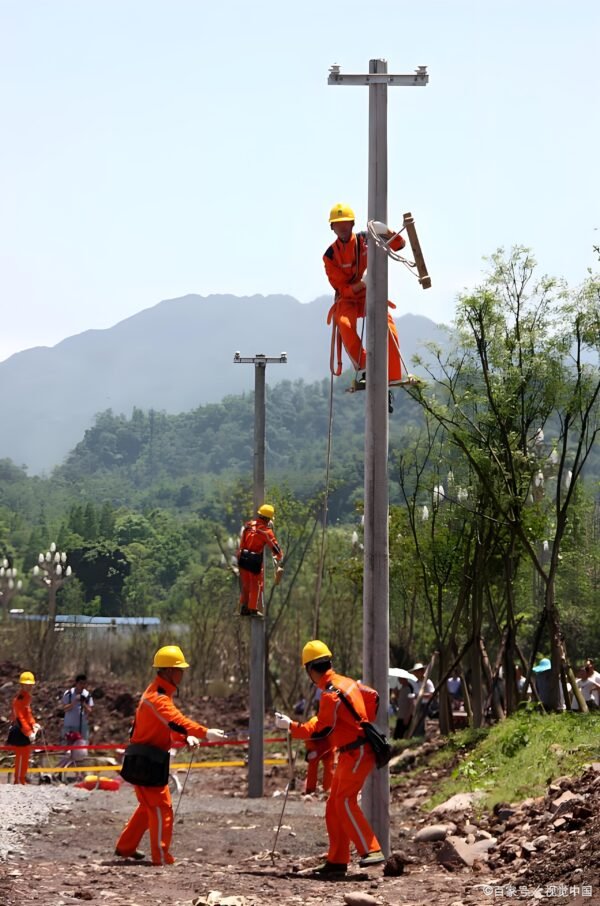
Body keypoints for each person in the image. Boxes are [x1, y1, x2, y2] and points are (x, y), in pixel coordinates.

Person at [274, 639, 385, 876]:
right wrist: (363, 721)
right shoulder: (347, 683)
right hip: (351, 751)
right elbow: (373, 696)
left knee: (344, 802)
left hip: (356, 752)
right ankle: (337, 861)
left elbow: (321, 730)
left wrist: (291, 726)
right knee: (334, 805)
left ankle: (371, 850)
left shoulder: (329, 694)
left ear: (310, 670)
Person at [115, 645, 226, 866]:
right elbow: (176, 720)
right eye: (179, 669)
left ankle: (126, 847)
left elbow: (167, 726)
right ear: (167, 671)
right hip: (145, 761)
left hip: (150, 760)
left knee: (149, 807)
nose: (182, 674)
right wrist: (204, 732)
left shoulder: (161, 693)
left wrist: (186, 738)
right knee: (161, 807)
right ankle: (161, 856)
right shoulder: (156, 698)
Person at [324, 203, 409, 405]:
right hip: (349, 298)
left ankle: (393, 373)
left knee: (387, 324)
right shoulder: (330, 256)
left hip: (369, 294)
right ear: (332, 228)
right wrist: (361, 284)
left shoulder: (365, 239)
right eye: (338, 225)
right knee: (343, 323)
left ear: (352, 224)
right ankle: (364, 367)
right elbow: (340, 287)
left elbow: (399, 244)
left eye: (345, 224)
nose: (342, 228)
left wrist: (385, 231)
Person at [236, 503, 283, 616]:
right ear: (267, 519)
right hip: (254, 560)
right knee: (256, 584)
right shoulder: (266, 531)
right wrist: (279, 557)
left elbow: (242, 542)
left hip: (242, 558)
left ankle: (243, 607)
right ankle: (252, 608)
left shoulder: (248, 526)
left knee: (246, 584)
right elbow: (275, 548)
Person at [7, 671, 41, 784]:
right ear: (22, 685)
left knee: (26, 756)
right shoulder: (19, 699)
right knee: (20, 757)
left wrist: (33, 724)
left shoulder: (27, 697)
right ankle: (17, 779)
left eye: (30, 685)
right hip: (20, 729)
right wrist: (28, 732)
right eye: (27, 685)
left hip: (25, 729)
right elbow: (20, 718)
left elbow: (28, 714)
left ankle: (22, 778)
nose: (29, 687)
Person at [61, 673, 94, 757]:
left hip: (82, 726)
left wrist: (83, 703)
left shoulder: (87, 695)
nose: (82, 686)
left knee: (81, 750)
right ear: (76, 683)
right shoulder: (69, 694)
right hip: (69, 726)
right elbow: (65, 708)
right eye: (80, 683)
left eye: (84, 683)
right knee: (67, 751)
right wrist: (74, 702)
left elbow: (90, 710)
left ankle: (81, 769)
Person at [410, 662, 435, 737]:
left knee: (422, 720)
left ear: (422, 672)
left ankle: (421, 735)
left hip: (425, 704)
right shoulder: (415, 683)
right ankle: (417, 734)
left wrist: (421, 695)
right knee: (416, 720)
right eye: (415, 672)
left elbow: (431, 694)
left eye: (418, 672)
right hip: (417, 704)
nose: (416, 674)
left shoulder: (428, 682)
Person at [393, 676, 416, 740]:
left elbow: (412, 704)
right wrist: (396, 693)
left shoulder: (409, 689)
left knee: (401, 736)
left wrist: (407, 717)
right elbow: (401, 701)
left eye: (400, 678)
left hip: (405, 716)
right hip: (400, 715)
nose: (399, 680)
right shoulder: (402, 688)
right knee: (397, 736)